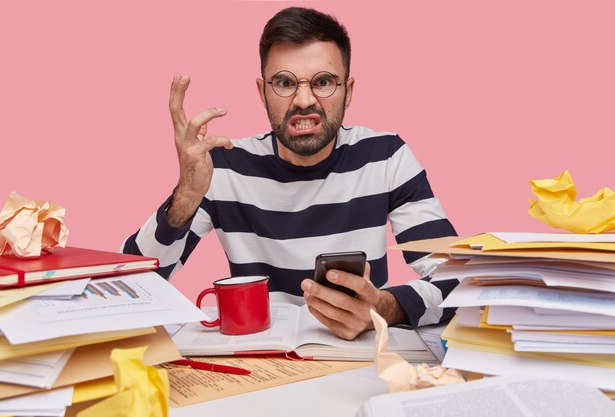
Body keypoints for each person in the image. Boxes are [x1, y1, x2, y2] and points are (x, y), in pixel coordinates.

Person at [122, 7, 459, 340]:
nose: (303, 100)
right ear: (262, 92)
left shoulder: (386, 157)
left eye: (323, 82)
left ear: (349, 91)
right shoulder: (221, 166)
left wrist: (382, 308)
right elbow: (132, 283)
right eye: (284, 83)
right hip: (261, 363)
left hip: (360, 359)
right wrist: (187, 194)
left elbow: (459, 281)